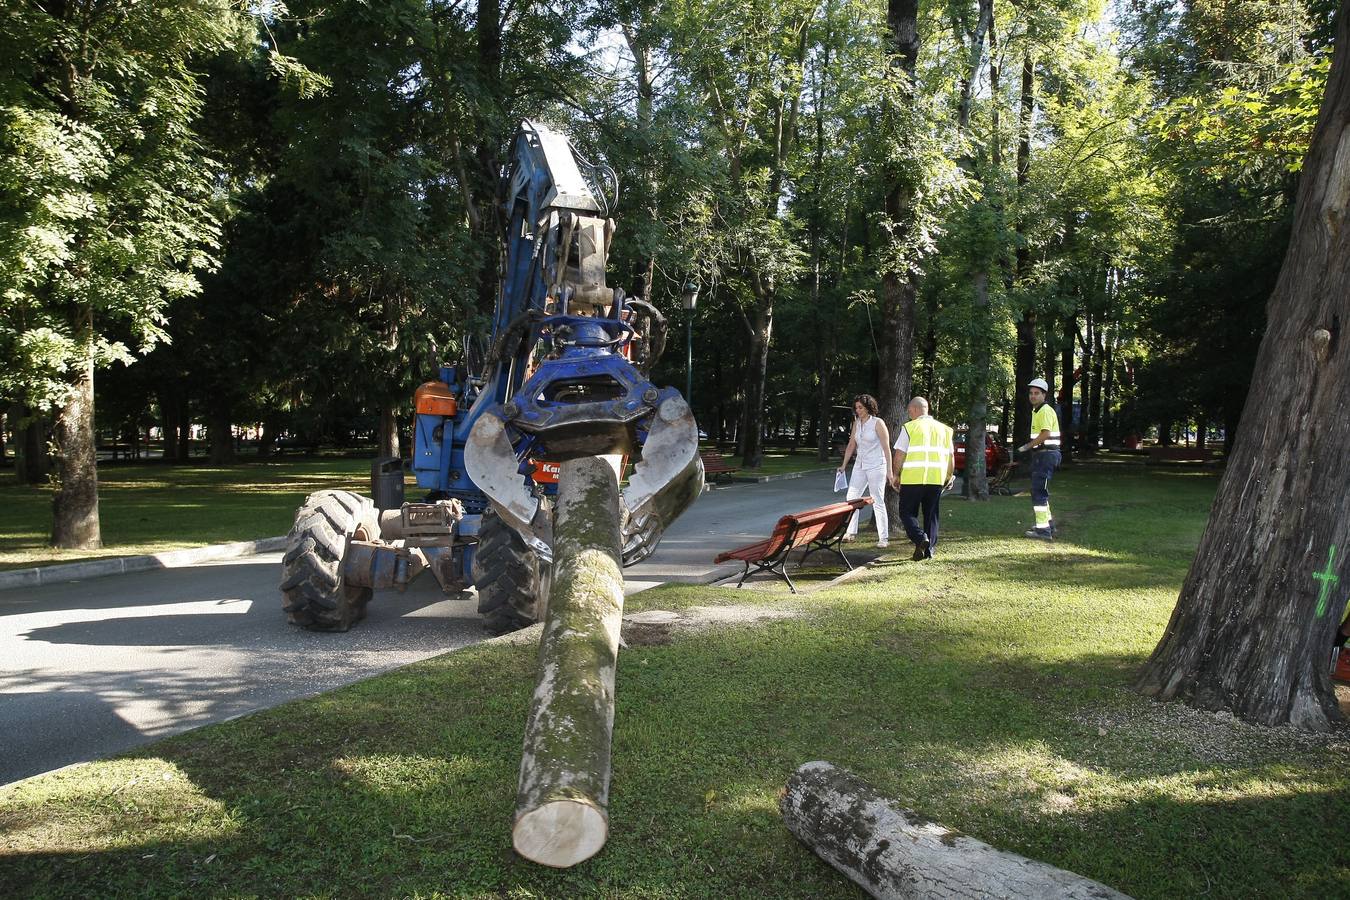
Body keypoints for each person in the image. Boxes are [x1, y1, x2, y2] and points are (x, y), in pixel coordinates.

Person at [889, 397, 954, 561]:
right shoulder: (944, 430)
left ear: (916, 409)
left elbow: (899, 454)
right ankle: (929, 550)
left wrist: (895, 475)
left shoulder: (910, 428)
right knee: (931, 515)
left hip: (913, 479)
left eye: (910, 411)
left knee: (906, 512)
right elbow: (950, 457)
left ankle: (920, 538)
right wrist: (948, 477)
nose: (909, 414)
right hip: (935, 479)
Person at [837, 394, 894, 547]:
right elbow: (851, 445)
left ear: (868, 407)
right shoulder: (857, 423)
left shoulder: (878, 423)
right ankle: (850, 532)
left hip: (877, 465)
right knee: (852, 496)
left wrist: (890, 470)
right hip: (860, 465)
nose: (858, 410)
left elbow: (886, 448)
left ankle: (883, 538)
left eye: (860, 407)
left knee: (877, 499)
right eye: (856, 408)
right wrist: (843, 465)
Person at [1017, 378, 1062, 540]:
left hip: (1046, 455)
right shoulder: (1039, 411)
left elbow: (1045, 434)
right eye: (1031, 393)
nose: (1033, 396)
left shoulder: (1044, 411)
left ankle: (1043, 531)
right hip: (1046, 455)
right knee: (1040, 490)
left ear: (1044, 395)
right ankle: (1048, 525)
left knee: (1038, 491)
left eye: (1037, 393)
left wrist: (1026, 447)